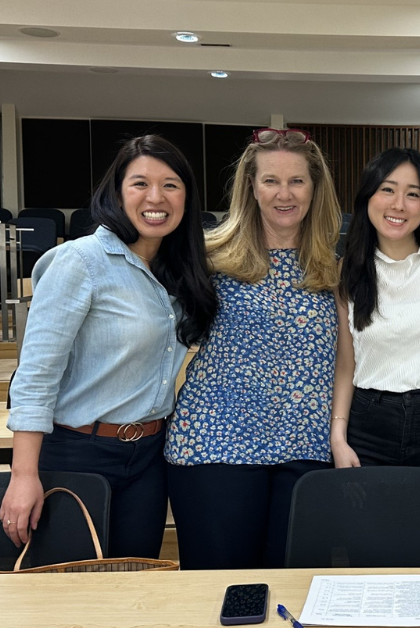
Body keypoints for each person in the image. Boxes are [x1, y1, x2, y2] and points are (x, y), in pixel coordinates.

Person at [0, 135, 218, 558]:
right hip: (78, 452)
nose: (156, 197)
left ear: (187, 197)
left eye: (171, 184)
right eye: (140, 183)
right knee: (71, 595)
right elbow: (36, 374)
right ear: (117, 192)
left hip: (150, 456)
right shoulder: (79, 262)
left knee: (134, 586)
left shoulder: (179, 269)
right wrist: (23, 473)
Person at [165, 127, 341, 569]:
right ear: (251, 187)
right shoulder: (208, 257)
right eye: (271, 181)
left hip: (307, 448)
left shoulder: (334, 270)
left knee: (295, 589)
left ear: (315, 188)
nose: (285, 193)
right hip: (214, 447)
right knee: (218, 590)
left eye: (297, 181)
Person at [330, 148, 420, 477]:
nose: (398, 204)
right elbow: (346, 362)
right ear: (368, 196)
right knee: (370, 527)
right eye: (387, 189)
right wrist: (338, 435)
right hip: (368, 424)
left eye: (413, 194)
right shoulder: (346, 272)